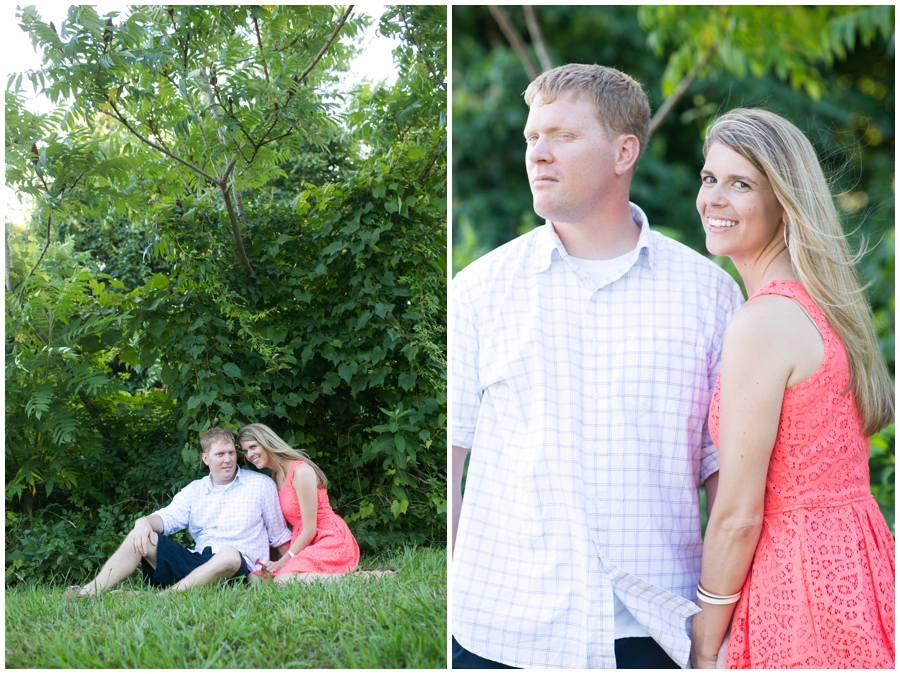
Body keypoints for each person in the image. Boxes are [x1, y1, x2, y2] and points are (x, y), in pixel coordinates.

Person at [450, 63, 745, 669]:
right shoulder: (479, 290)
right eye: (533, 138)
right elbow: (448, 463)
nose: (539, 154)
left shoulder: (711, 297)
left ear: (624, 151)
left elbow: (729, 485)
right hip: (504, 633)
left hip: (658, 632)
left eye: (563, 136)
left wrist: (720, 633)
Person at [689, 108, 895, 669]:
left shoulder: (764, 321)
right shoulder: (825, 305)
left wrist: (705, 639)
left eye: (741, 184)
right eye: (710, 179)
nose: (714, 199)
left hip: (801, 580)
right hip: (857, 559)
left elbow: (737, 513)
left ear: (784, 202)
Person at [67, 427, 291, 598]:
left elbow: (280, 537)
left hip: (238, 569)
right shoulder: (195, 490)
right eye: (220, 454)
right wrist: (142, 522)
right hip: (199, 562)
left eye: (231, 453)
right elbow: (167, 518)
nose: (228, 459)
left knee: (230, 554)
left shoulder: (261, 485)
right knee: (143, 536)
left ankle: (163, 598)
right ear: (206, 458)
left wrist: (291, 569)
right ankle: (88, 593)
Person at [237, 423, 360, 581]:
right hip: (303, 542)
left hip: (327, 537)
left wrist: (282, 562)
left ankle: (366, 577)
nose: (249, 455)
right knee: (256, 578)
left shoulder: (301, 471)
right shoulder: (275, 477)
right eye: (246, 451)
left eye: (253, 447)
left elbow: (310, 529)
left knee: (285, 580)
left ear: (266, 442)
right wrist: (274, 562)